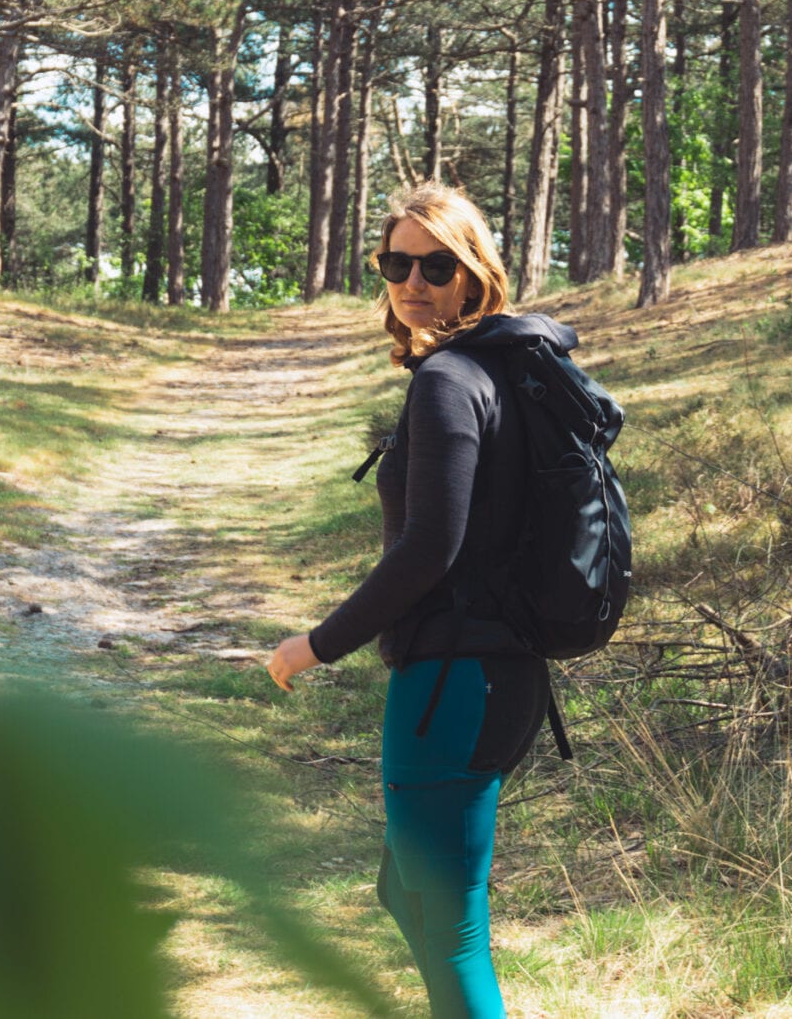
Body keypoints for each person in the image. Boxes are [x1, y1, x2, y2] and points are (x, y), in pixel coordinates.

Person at [266, 181, 569, 1019]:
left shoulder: (448, 380)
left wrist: (315, 644)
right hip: (498, 681)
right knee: (406, 891)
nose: (414, 281)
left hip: (452, 685)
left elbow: (428, 549)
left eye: (438, 264)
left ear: (475, 275)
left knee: (451, 931)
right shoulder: (502, 372)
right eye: (396, 261)